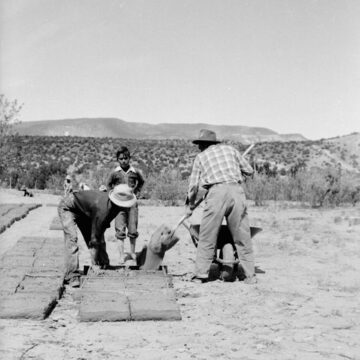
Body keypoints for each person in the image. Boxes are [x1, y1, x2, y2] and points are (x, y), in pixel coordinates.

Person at [185, 129, 256, 284]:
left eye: (200, 145)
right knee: (243, 236)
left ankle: (200, 275)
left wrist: (190, 205)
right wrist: (238, 171)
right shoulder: (231, 150)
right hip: (236, 192)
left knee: (207, 236)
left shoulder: (201, 157)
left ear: (203, 144)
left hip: (216, 194)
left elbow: (193, 187)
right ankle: (250, 276)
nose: (198, 148)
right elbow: (249, 171)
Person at [58, 184, 137, 288]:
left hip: (85, 211)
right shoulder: (103, 209)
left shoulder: (114, 208)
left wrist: (103, 262)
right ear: (120, 203)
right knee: (72, 239)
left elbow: (100, 231)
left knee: (98, 240)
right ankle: (71, 275)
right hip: (69, 207)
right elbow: (94, 239)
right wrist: (94, 264)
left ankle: (103, 265)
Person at [107, 146, 145, 264]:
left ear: (129, 158)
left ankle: (133, 253)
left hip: (132, 203)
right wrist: (112, 195)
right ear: (118, 160)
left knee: (133, 229)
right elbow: (108, 184)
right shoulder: (115, 173)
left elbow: (141, 181)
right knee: (120, 229)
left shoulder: (134, 172)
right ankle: (121, 255)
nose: (123, 161)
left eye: (126, 158)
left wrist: (136, 192)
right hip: (118, 204)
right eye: (121, 159)